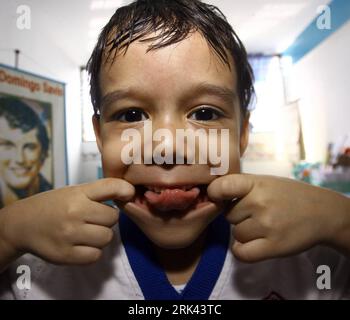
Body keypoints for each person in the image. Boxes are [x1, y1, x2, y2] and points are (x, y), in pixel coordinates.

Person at [0, 0, 350, 300]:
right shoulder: (39, 269)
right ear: (100, 136)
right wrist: (8, 232)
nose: (167, 146)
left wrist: (339, 220)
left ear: (243, 134)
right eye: (132, 115)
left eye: (205, 113)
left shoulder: (315, 257)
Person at [0, 97, 52, 209]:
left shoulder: (57, 199)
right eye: (8, 145)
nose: (20, 159)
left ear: (44, 153)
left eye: (30, 147)